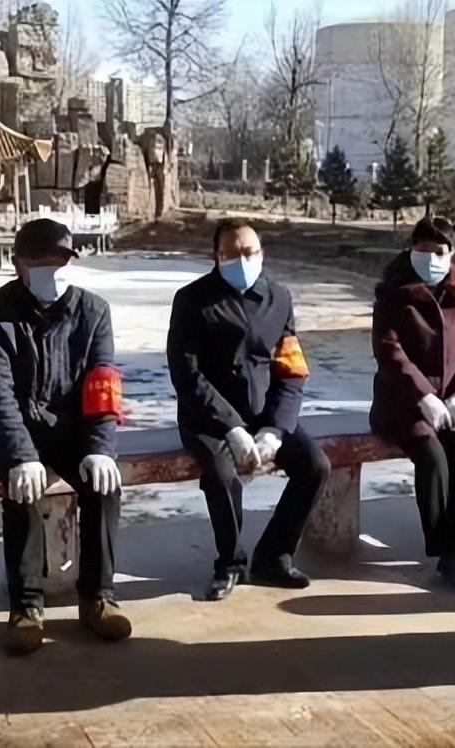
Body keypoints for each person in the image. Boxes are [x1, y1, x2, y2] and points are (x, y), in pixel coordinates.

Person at [0, 218, 131, 655]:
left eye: (60, 260)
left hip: (76, 429)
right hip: (18, 428)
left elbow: (103, 383)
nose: (51, 270)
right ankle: (26, 605)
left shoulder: (93, 310)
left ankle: (99, 596)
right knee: (22, 490)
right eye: (39, 261)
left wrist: (100, 448)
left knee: (105, 485)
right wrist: (20, 455)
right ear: (17, 263)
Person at [167, 218, 331, 601]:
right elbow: (187, 374)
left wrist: (275, 428)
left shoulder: (279, 298)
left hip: (265, 415)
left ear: (262, 254)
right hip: (208, 418)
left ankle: (275, 556)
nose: (242, 260)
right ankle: (231, 563)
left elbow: (291, 371)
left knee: (315, 465)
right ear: (216, 255)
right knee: (221, 473)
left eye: (250, 252)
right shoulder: (191, 300)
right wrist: (232, 428)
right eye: (232, 253)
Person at [370, 216, 455, 589]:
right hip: (402, 401)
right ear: (411, 249)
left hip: (453, 401)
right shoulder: (392, 294)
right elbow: (390, 353)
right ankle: (444, 548)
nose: (431, 258)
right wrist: (422, 396)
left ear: (451, 253)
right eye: (423, 250)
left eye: (439, 251)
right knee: (433, 455)